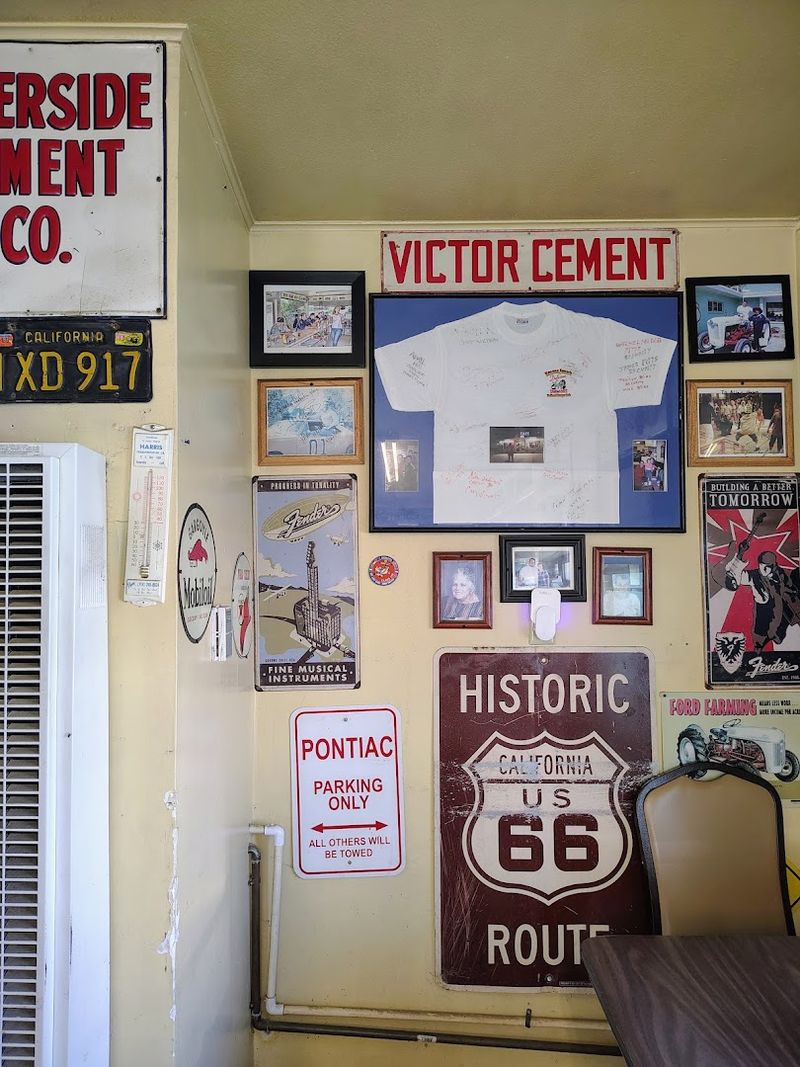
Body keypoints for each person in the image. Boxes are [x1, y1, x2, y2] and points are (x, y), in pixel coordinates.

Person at [725, 549, 800, 651]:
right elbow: (737, 576)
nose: (764, 569)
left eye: (768, 566)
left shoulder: (780, 573)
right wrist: (740, 556)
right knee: (760, 638)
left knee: (779, 636)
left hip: (780, 612)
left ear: (773, 565)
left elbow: (790, 587)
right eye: (761, 565)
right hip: (763, 611)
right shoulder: (754, 576)